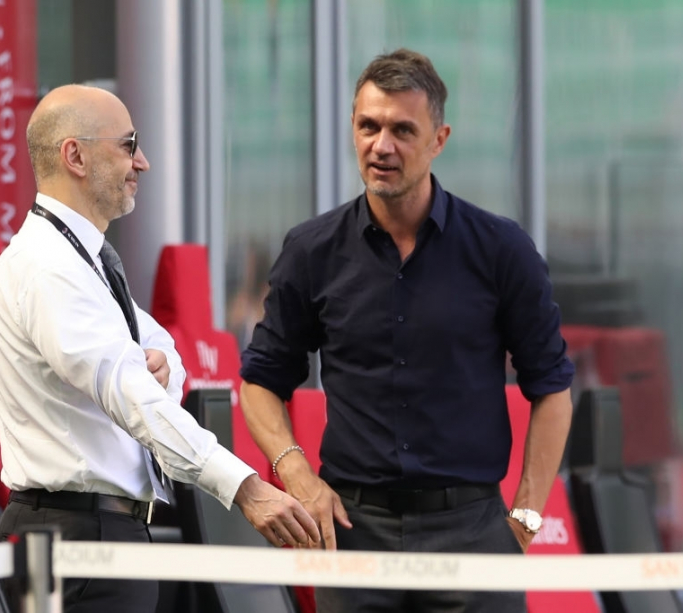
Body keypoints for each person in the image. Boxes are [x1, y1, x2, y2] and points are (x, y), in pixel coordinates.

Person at [239, 49, 574, 612]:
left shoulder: (501, 250)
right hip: (353, 531)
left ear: (439, 139)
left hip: (472, 531)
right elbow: (260, 383)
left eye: (402, 130)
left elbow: (553, 389)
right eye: (369, 126)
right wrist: (296, 472)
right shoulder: (312, 251)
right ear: (352, 127)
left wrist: (525, 517)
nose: (382, 146)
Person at [0, 84, 319, 613]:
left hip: (89, 537)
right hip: (74, 541)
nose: (142, 162)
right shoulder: (51, 267)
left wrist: (166, 370)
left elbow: (159, 348)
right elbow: (134, 398)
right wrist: (246, 488)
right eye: (128, 145)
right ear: (75, 156)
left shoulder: (78, 258)